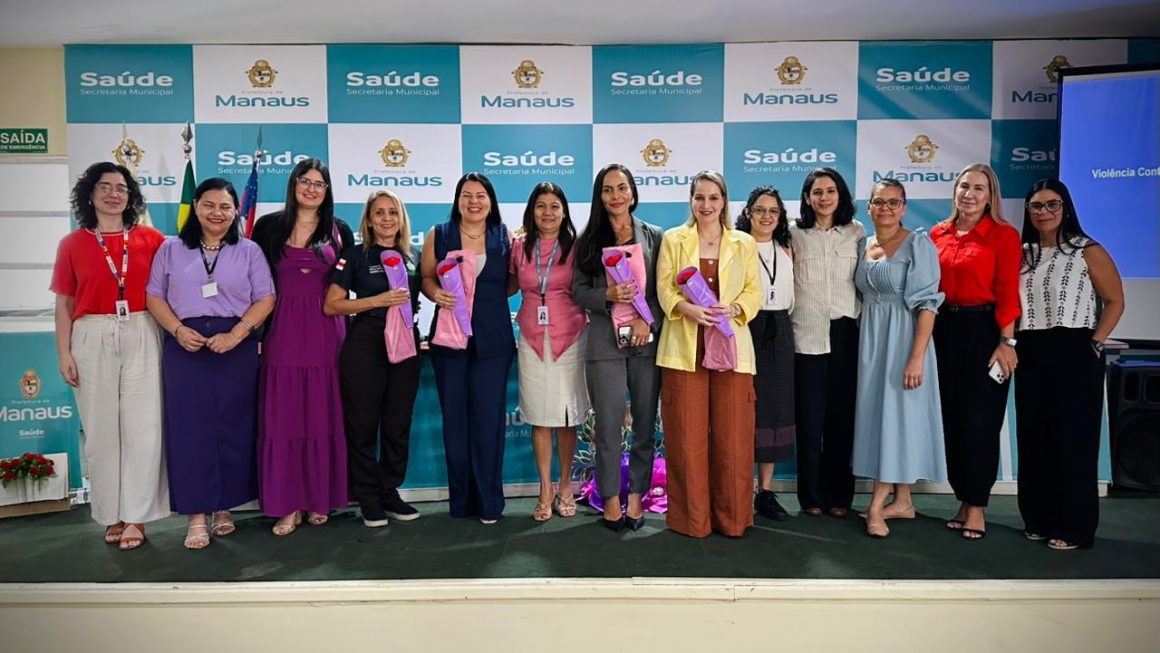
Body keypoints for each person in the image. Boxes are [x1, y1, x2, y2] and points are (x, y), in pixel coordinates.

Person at [146, 177, 275, 549]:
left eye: (225, 207)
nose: (217, 213)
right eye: (209, 205)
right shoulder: (170, 249)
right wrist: (176, 330)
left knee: (234, 428)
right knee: (190, 431)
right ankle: (196, 515)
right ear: (196, 207)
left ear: (236, 211)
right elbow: (154, 296)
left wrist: (238, 334)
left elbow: (266, 298)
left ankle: (224, 508)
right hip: (185, 346)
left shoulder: (249, 250)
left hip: (235, 345)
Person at [51, 161, 169, 550]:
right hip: (90, 333)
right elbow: (65, 303)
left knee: (143, 427)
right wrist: (64, 352)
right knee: (100, 431)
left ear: (130, 197)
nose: (113, 193)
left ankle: (136, 516)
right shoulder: (72, 244)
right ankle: (109, 513)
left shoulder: (152, 239)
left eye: (121, 188)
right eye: (105, 187)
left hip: (141, 328)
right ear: (90, 194)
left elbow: (169, 291)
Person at [1015, 179, 1124, 550]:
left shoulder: (1086, 250)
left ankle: (1074, 527)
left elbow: (1114, 301)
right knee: (1034, 437)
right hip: (1031, 349)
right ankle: (1039, 518)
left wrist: (1095, 343)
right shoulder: (1023, 253)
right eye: (1036, 206)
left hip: (1075, 349)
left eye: (1052, 204)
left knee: (1073, 441)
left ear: (1066, 207)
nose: (1044, 212)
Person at [250, 158, 354, 536]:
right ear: (293, 185)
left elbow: (348, 285)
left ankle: (319, 498)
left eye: (320, 184)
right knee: (285, 418)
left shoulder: (340, 230)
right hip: (281, 333)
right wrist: (254, 334)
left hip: (328, 334)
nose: (312, 188)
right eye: (305, 181)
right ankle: (287, 503)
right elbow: (253, 283)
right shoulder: (268, 228)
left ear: (328, 191)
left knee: (323, 415)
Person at [655, 170, 762, 538]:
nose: (706, 205)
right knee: (686, 439)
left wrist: (733, 310)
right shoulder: (673, 239)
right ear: (691, 201)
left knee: (733, 439)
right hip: (684, 348)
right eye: (699, 198)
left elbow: (754, 293)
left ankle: (733, 520)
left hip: (732, 346)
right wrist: (688, 309)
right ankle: (691, 522)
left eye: (713, 198)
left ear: (724, 201)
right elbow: (664, 290)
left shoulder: (744, 243)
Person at [930, 163, 1021, 541]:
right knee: (951, 421)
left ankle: (978, 507)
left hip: (984, 332)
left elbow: (1007, 292)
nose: (969, 193)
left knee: (980, 422)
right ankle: (963, 500)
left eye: (978, 188)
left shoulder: (1003, 235)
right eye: (964, 185)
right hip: (942, 331)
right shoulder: (937, 233)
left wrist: (1007, 342)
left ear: (990, 197)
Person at [851, 179, 947, 538]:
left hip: (905, 339)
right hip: (872, 341)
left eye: (894, 202)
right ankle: (903, 502)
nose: (886, 208)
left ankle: (876, 505)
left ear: (904, 206)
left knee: (894, 419)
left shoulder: (918, 244)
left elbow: (928, 305)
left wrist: (916, 357)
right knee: (884, 418)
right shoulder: (864, 244)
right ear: (870, 207)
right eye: (879, 202)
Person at [572, 163, 663, 531]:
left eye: (622, 187)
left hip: (645, 342)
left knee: (644, 423)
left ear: (633, 191)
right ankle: (610, 498)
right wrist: (607, 295)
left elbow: (663, 291)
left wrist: (647, 318)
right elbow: (577, 292)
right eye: (608, 189)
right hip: (605, 343)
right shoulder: (588, 240)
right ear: (600, 195)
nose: (616, 196)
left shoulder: (654, 235)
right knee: (608, 426)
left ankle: (636, 498)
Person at [324, 190, 423, 528]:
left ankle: (389, 490)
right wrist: (376, 301)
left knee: (397, 425)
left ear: (401, 218)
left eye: (392, 212)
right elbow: (332, 304)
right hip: (366, 345)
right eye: (378, 213)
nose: (386, 219)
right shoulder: (353, 255)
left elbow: (427, 294)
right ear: (368, 220)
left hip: (406, 346)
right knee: (363, 425)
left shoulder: (413, 256)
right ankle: (367, 498)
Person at [421, 173, 515, 524]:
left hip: (493, 342)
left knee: (489, 422)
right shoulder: (438, 234)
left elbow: (511, 283)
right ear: (457, 199)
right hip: (450, 342)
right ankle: (462, 503)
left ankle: (490, 503)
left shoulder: (503, 236)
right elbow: (427, 278)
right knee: (455, 423)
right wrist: (436, 294)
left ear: (491, 201)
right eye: (466, 195)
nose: (474, 201)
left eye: (481, 195)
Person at [507, 183, 590, 522]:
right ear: (532, 211)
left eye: (555, 206)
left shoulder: (579, 248)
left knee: (567, 415)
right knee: (540, 416)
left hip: (571, 336)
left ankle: (567, 486)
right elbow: (508, 285)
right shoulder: (517, 247)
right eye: (541, 206)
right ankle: (545, 488)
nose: (548, 213)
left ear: (564, 211)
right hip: (530, 335)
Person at [789, 167, 865, 519]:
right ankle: (811, 497)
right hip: (806, 334)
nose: (823, 198)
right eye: (816, 192)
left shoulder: (856, 232)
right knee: (809, 420)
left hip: (846, 331)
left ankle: (839, 497)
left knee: (841, 418)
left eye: (830, 191)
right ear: (807, 198)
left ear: (841, 195)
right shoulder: (793, 235)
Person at [734, 186, 795, 521]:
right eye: (760, 210)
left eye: (773, 210)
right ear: (748, 213)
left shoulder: (786, 247)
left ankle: (765, 491)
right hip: (746, 327)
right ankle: (739, 488)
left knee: (774, 411)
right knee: (743, 409)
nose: (767, 216)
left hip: (781, 329)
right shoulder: (737, 246)